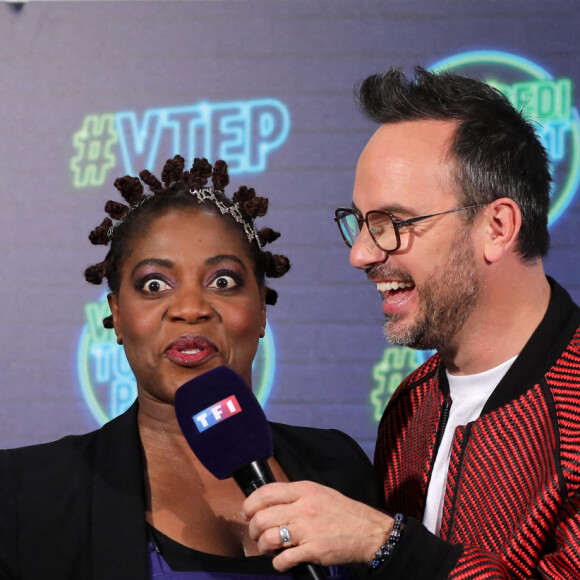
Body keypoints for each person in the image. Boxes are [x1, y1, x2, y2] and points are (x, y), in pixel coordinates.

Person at [242, 67, 580, 578]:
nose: (360, 254)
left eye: (392, 224)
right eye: (359, 222)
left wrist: (385, 543)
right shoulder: (411, 404)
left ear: (497, 226)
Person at [0, 156, 379, 579]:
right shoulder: (24, 493)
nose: (190, 309)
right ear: (118, 317)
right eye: (154, 285)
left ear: (261, 310)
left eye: (223, 281)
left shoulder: (339, 465)